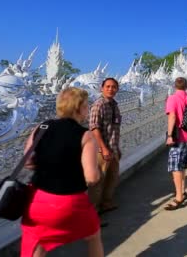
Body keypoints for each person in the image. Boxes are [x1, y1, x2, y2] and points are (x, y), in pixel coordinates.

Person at [21, 87, 103, 257]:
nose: (87, 110)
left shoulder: (41, 127)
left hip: (37, 198)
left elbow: (27, 162)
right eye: (86, 106)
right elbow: (91, 177)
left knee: (38, 240)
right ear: (79, 108)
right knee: (93, 235)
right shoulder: (85, 135)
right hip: (69, 202)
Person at [88, 78, 122, 216]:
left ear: (117, 89)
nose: (110, 89)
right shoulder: (99, 105)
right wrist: (103, 148)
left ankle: (106, 203)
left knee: (112, 177)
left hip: (113, 148)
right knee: (98, 182)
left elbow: (114, 127)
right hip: (101, 150)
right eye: (107, 86)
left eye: (113, 87)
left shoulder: (114, 104)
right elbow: (94, 128)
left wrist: (115, 149)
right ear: (101, 88)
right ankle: (93, 212)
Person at [165, 77, 187, 210]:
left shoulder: (173, 98)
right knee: (182, 164)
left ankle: (179, 197)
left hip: (178, 137)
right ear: (186, 86)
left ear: (175, 86)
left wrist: (169, 136)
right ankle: (182, 191)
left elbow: (172, 116)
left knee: (175, 166)